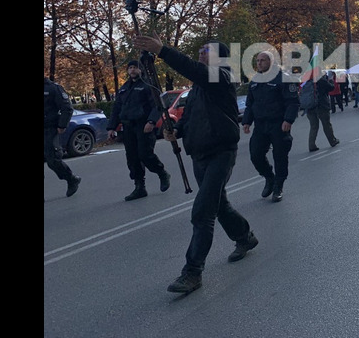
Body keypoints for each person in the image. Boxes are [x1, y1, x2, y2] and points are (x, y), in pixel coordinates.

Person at [133, 35, 256, 294]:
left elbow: (194, 69)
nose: (201, 53)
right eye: (199, 50)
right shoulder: (198, 88)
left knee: (203, 212)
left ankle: (192, 272)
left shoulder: (221, 77)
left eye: (206, 50)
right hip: (199, 154)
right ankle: (245, 237)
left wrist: (163, 50)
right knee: (219, 205)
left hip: (222, 152)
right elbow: (190, 118)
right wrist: (175, 131)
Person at [106, 60, 171, 201]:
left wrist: (151, 121)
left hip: (144, 126)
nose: (132, 70)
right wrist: (111, 127)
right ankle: (139, 187)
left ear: (140, 70)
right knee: (132, 158)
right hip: (128, 127)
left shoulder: (148, 86)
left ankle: (162, 172)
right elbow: (117, 108)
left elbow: (157, 105)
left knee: (145, 154)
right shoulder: (124, 88)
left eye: (135, 67)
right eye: (130, 68)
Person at [241, 51, 300, 201]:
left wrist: (288, 120)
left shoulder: (283, 78)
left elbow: (293, 102)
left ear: (271, 62)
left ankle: (278, 186)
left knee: (280, 156)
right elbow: (250, 104)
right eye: (258, 60)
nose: (259, 63)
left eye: (262, 60)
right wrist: (247, 121)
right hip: (261, 125)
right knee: (255, 154)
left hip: (279, 124)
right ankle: (269, 177)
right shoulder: (255, 80)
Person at [44, 76, 81, 197]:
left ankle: (71, 179)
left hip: (49, 129)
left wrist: (62, 125)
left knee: (53, 160)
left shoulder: (53, 88)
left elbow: (66, 108)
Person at [306, 71, 340, 152]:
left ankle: (311, 145)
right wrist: (331, 80)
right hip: (321, 105)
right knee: (326, 124)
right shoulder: (321, 80)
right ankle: (332, 141)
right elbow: (331, 87)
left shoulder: (307, 81)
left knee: (313, 126)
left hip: (310, 106)